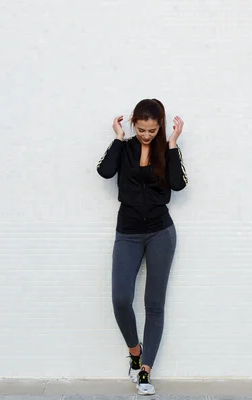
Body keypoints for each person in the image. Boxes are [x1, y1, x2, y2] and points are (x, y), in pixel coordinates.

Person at [96, 99, 188, 395]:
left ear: (160, 126)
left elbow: (178, 184)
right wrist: (118, 138)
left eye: (152, 130)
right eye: (141, 129)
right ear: (133, 124)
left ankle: (146, 371)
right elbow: (105, 172)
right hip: (128, 232)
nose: (146, 135)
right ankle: (135, 353)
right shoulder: (125, 147)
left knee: (154, 304)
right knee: (121, 298)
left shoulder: (166, 148)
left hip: (161, 232)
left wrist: (172, 144)